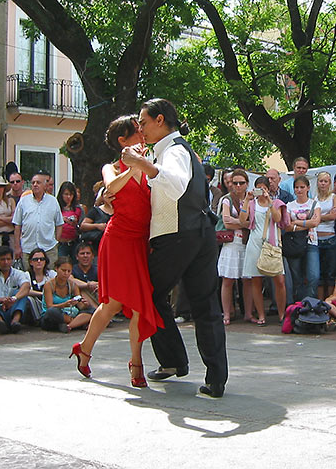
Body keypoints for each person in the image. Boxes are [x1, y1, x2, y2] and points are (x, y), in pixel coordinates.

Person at [124, 98, 228, 398]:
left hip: (179, 236)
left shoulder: (174, 151)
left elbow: (175, 184)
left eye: (143, 123)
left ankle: (172, 360)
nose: (140, 130)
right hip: (199, 233)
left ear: (159, 120)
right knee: (205, 305)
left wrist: (143, 164)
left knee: (150, 294)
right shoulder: (177, 150)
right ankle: (214, 378)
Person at [73, 114, 163, 389]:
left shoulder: (151, 163)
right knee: (113, 303)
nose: (143, 134)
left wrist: (141, 164)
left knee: (137, 305)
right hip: (119, 239)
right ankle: (99, 353)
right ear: (123, 140)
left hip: (140, 241)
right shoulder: (110, 167)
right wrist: (134, 167)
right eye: (137, 131)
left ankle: (116, 357)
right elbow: (110, 187)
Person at [240, 176, 289, 321]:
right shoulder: (251, 203)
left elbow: (278, 218)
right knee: (256, 280)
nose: (261, 191)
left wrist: (269, 202)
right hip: (255, 243)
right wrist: (247, 200)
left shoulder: (276, 203)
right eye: (258, 188)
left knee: (279, 280)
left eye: (264, 188)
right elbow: (243, 221)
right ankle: (261, 315)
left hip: (272, 244)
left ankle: (281, 314)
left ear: (268, 189)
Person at [218, 169, 252, 325]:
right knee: (228, 279)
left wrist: (236, 221)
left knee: (247, 280)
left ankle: (248, 313)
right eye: (235, 183)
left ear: (247, 183)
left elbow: (253, 221)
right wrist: (243, 223)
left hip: (247, 242)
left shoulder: (252, 199)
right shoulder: (227, 199)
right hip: (231, 243)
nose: (238, 186)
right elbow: (226, 221)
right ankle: (226, 314)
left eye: (241, 183)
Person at [12, 173, 64, 268]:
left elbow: (59, 224)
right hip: (28, 247)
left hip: (49, 248)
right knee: (28, 277)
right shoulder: (23, 201)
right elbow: (17, 225)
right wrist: (17, 247)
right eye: (33, 183)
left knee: (49, 276)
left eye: (38, 182)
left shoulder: (53, 201)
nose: (35, 185)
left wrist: (56, 241)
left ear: (45, 186)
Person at [285, 176, 321, 301]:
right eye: (297, 187)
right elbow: (287, 226)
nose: (299, 190)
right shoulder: (289, 205)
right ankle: (299, 307)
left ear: (308, 188)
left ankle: (310, 303)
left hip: (312, 242)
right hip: (295, 243)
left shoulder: (314, 204)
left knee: (313, 276)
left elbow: (316, 222)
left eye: (302, 187)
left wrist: (297, 222)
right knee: (297, 277)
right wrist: (307, 223)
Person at [41, 257, 94, 332]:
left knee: (91, 310)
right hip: (55, 315)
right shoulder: (49, 285)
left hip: (70, 313)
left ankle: (69, 326)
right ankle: (77, 323)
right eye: (63, 270)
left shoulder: (73, 285)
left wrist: (85, 304)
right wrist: (64, 304)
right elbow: (49, 306)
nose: (66, 273)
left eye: (69, 271)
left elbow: (80, 306)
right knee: (52, 312)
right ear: (56, 269)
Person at [314, 171, 336, 298]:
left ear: (329, 183)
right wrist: (325, 216)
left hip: (330, 238)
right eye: (321, 181)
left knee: (330, 274)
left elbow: (333, 216)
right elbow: (311, 217)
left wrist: (318, 217)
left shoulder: (335, 197)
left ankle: (329, 302)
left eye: (326, 181)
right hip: (316, 239)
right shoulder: (313, 198)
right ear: (317, 183)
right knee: (318, 275)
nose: (323, 184)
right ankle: (319, 302)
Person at [80, 181, 111, 252]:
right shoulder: (95, 210)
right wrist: (97, 226)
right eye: (107, 194)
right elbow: (83, 225)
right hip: (96, 246)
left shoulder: (119, 211)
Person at [25, 247, 54, 323]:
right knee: (29, 299)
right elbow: (25, 291)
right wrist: (42, 294)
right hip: (34, 303)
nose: (39, 261)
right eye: (35, 259)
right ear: (31, 262)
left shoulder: (51, 274)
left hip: (49, 302)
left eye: (42, 259)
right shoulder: (26, 275)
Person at [57, 181, 83, 259]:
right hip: (61, 243)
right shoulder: (57, 208)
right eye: (66, 194)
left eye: (71, 195)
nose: (68, 197)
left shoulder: (78, 209)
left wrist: (75, 224)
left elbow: (82, 228)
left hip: (74, 243)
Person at [70, 242, 99, 308]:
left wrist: (97, 284)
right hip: (79, 301)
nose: (85, 256)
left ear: (93, 256)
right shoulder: (72, 269)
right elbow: (70, 280)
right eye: (82, 253)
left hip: (96, 296)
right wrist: (88, 285)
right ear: (77, 257)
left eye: (88, 253)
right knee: (81, 290)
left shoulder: (98, 269)